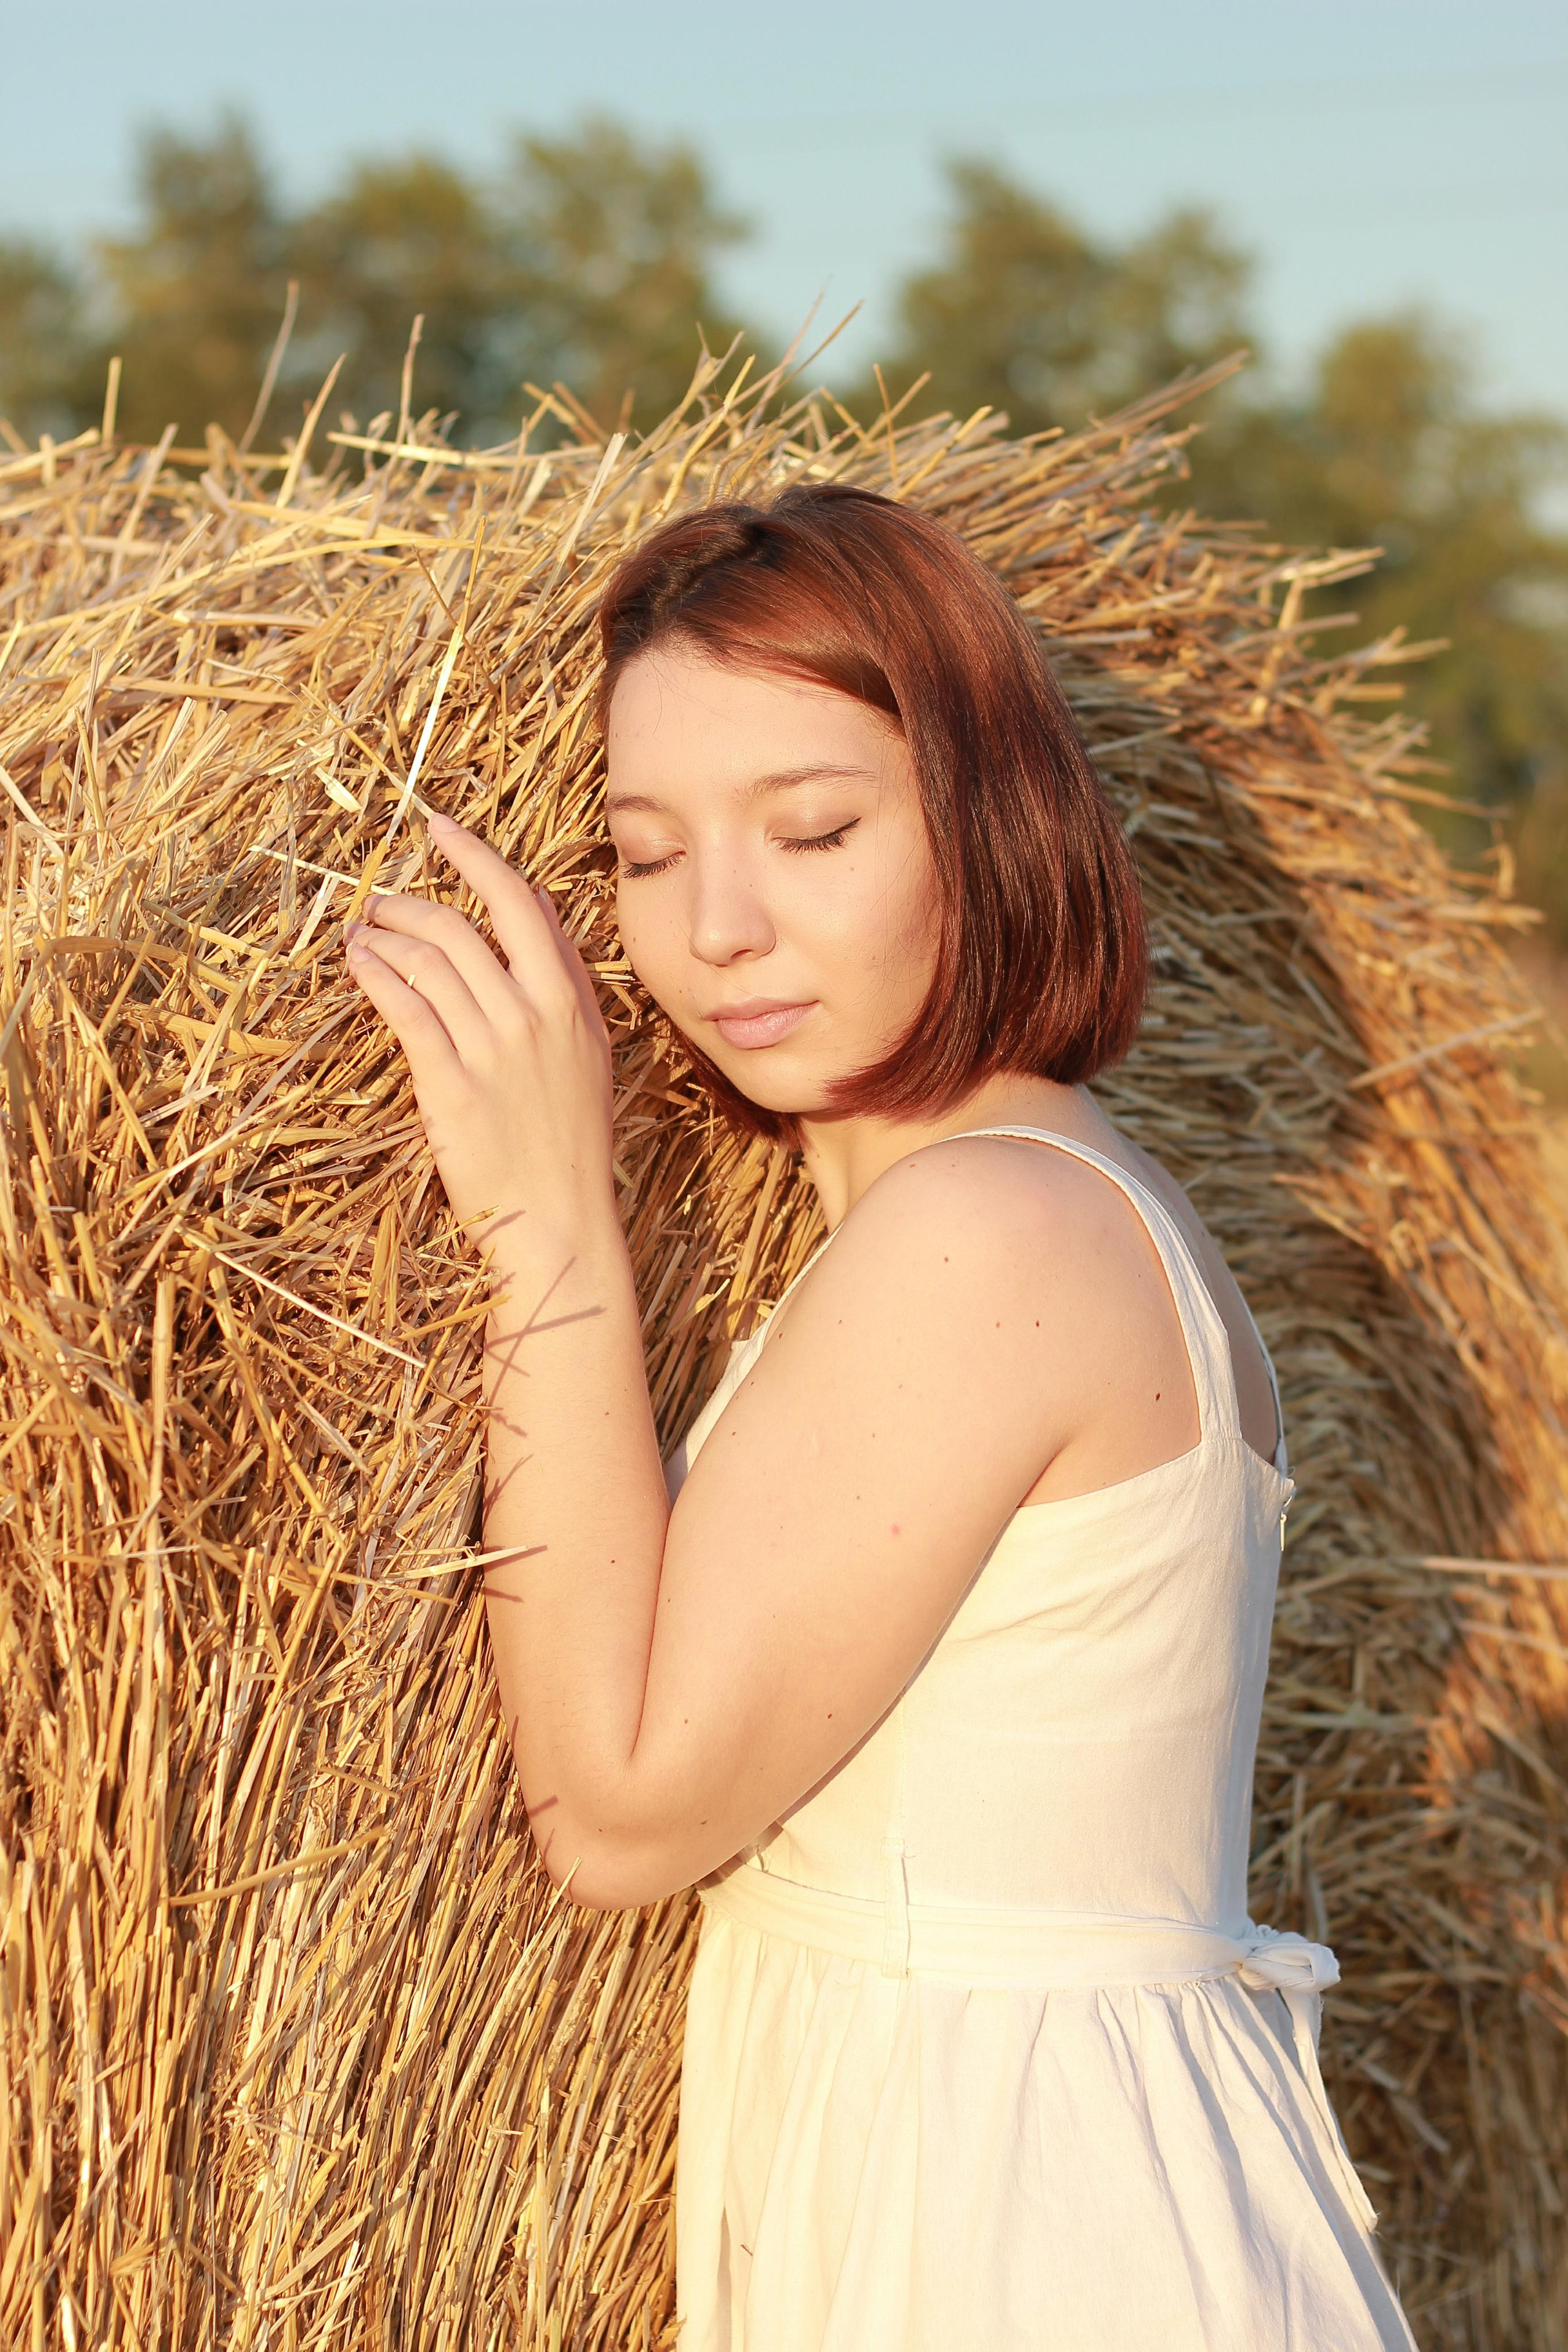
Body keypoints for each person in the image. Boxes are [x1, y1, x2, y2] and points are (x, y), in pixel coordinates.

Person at [342, 483, 1417, 2351]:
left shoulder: (993, 1225)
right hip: (1034, 2164)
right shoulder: (1047, 1203)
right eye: (646, 855)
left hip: (1019, 2224)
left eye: (814, 828)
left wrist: (549, 1224)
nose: (722, 927)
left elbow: (617, 1814)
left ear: (986, 824)